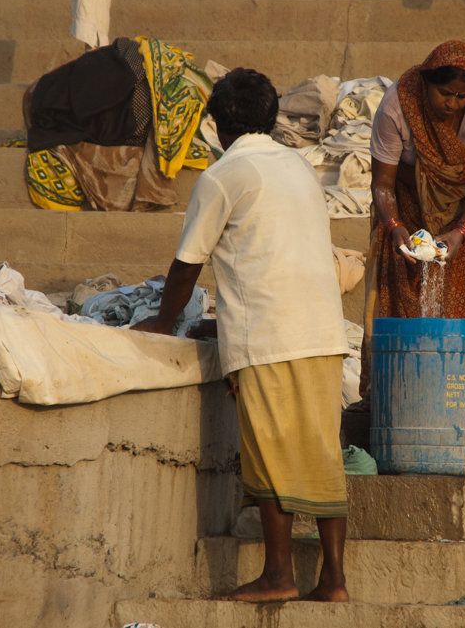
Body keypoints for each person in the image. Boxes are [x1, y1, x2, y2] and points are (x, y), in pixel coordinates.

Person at [131, 68, 351, 603]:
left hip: (272, 337)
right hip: (322, 331)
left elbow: (187, 266)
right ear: (271, 116)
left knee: (272, 453)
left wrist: (163, 324)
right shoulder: (296, 168)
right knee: (322, 455)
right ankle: (334, 581)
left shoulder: (224, 174)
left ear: (217, 124)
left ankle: (278, 576)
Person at [358, 40, 465, 402]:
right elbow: (382, 184)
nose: (452, 103)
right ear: (426, 83)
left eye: (461, 96)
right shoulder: (397, 106)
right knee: (406, 302)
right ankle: (403, 396)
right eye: (445, 93)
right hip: (409, 204)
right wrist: (396, 228)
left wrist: (461, 230)